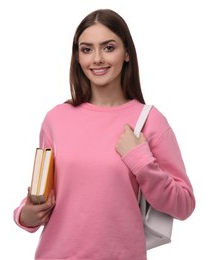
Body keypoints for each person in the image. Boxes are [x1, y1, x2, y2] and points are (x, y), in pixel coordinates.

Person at [13, 8, 196, 260]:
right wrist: (26, 215)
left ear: (127, 53)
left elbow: (184, 205)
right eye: (86, 49)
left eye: (108, 47)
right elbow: (44, 194)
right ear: (77, 57)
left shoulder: (150, 121)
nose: (97, 58)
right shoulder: (56, 119)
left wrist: (141, 161)